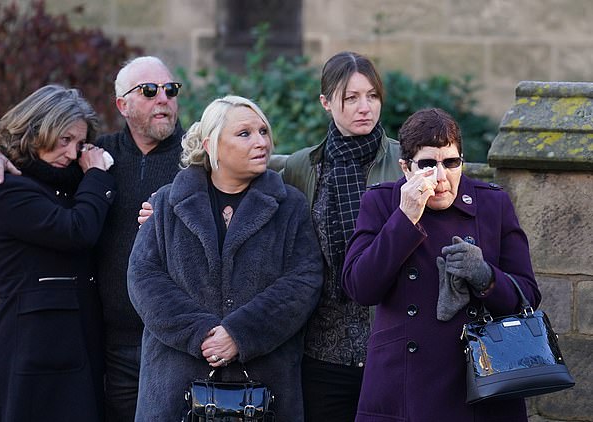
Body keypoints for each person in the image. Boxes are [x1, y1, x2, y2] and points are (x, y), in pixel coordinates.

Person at [0, 56, 186, 422]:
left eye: (170, 89)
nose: (163, 98)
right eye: (150, 91)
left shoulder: (197, 157)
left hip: (176, 341)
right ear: (123, 105)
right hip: (109, 345)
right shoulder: (97, 159)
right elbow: (34, 168)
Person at [127, 95, 323, 421]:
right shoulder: (166, 203)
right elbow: (143, 277)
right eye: (244, 134)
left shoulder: (290, 205)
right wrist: (202, 333)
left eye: (263, 131)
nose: (260, 141)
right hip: (176, 385)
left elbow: (303, 281)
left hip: (264, 389)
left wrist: (240, 334)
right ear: (211, 144)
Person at [342, 108, 541, 421]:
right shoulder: (381, 202)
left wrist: (487, 277)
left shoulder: (492, 203)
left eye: (451, 162)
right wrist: (404, 218)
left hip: (480, 381)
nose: (440, 176)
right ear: (406, 167)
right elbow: (360, 288)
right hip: (404, 384)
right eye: (427, 164)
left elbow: (527, 296)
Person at [280, 51, 403, 421]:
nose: (364, 107)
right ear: (326, 103)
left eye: (372, 96)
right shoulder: (301, 167)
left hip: (389, 343)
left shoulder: (404, 161)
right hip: (322, 348)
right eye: (350, 98)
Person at [0, 85, 115, 421]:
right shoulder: (8, 188)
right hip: (35, 352)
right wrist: (97, 176)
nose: (72, 153)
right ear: (36, 129)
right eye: (64, 140)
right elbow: (77, 230)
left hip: (82, 347)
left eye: (79, 144)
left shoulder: (66, 182)